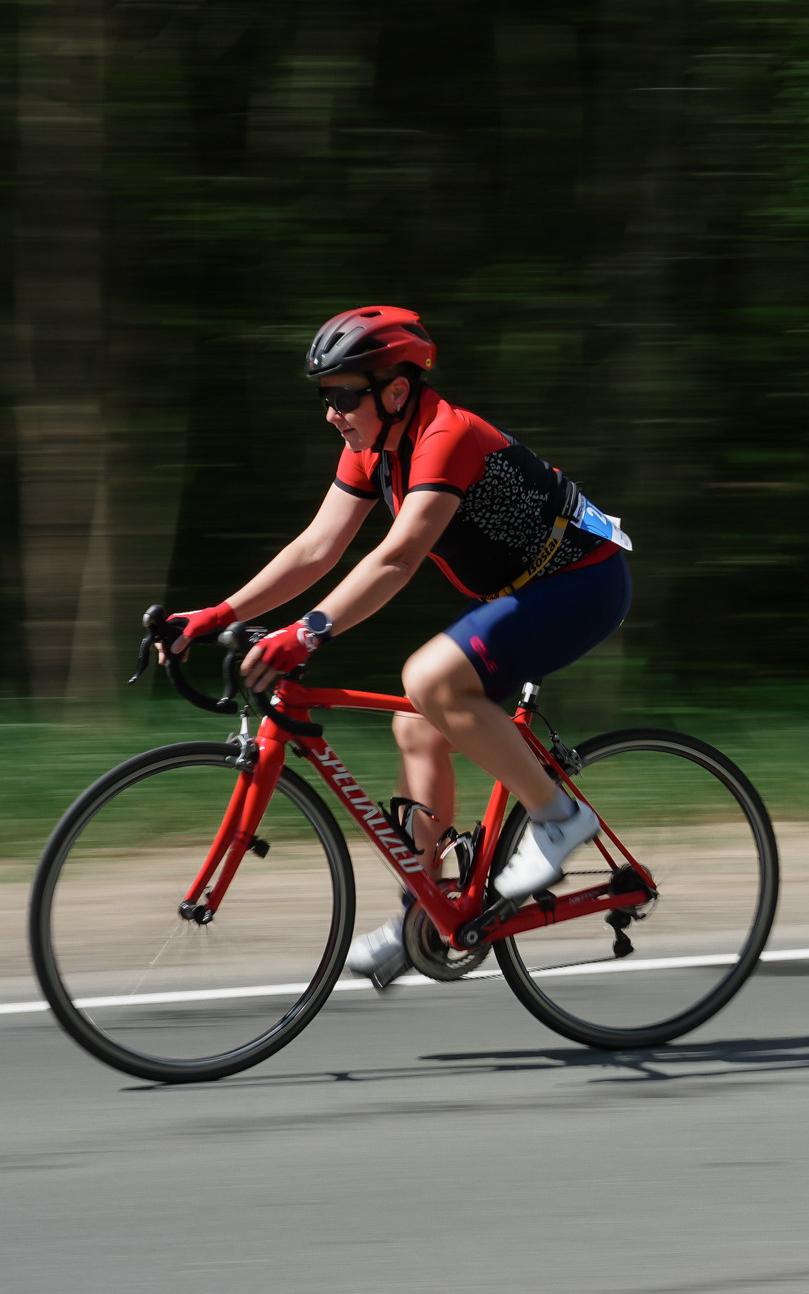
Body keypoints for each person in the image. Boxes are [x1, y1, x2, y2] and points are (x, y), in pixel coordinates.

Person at [162, 306, 634, 986]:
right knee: (415, 726)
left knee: (430, 680)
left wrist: (308, 631)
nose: (331, 412)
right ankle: (429, 915)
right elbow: (316, 548)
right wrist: (217, 613)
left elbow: (397, 558)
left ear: (395, 391)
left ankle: (559, 818)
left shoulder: (447, 437)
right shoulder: (371, 446)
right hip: (521, 590)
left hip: (583, 582)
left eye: (344, 394)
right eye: (326, 396)